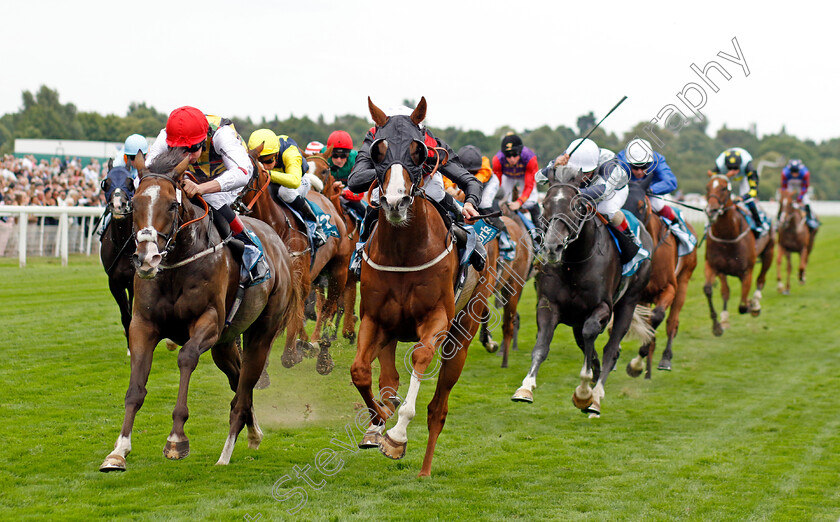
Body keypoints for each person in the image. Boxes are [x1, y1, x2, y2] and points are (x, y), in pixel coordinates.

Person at [347, 106, 484, 276]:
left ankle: (466, 236)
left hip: (425, 181)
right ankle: (361, 251)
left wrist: (470, 202)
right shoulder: (375, 137)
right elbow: (354, 181)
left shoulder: (429, 142)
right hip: (388, 182)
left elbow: (470, 181)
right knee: (376, 200)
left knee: (436, 193)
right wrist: (392, 171)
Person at [145, 106, 268, 284]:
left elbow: (242, 172)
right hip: (191, 176)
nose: (187, 156)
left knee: (211, 198)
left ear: (203, 140)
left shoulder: (221, 135)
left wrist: (202, 188)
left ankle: (250, 248)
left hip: (228, 176)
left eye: (193, 149)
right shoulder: (166, 136)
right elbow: (145, 174)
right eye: (179, 150)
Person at [547, 138, 649, 275]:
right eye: (580, 172)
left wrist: (574, 195)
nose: (583, 176)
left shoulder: (609, 161)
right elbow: (540, 177)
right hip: (584, 191)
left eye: (587, 173)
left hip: (614, 190)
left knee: (605, 210)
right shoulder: (569, 155)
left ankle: (630, 241)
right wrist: (553, 166)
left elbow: (603, 190)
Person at [247, 128, 327, 247]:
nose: (264, 166)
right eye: (259, 162)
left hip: (299, 181)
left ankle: (316, 225)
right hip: (272, 182)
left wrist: (267, 174)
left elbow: (294, 181)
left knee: (285, 192)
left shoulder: (290, 152)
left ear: (277, 153)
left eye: (268, 161)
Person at [617, 138, 695, 253]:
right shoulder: (621, 160)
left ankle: (679, 227)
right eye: (635, 167)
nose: (639, 172)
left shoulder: (657, 160)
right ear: (629, 163)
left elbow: (671, 182)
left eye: (644, 167)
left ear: (650, 162)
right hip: (627, 192)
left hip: (650, 191)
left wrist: (652, 189)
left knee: (658, 205)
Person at [457, 145, 514, 251]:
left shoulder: (484, 166)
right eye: (467, 171)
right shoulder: (455, 165)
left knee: (483, 204)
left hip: (488, 183)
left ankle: (505, 237)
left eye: (473, 171)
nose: (470, 173)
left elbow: (475, 183)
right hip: (471, 184)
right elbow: (447, 180)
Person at [712, 147, 768, 236]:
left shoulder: (748, 165)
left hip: (744, 178)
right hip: (725, 177)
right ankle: (709, 226)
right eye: (730, 168)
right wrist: (726, 176)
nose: (733, 172)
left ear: (740, 165)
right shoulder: (719, 164)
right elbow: (713, 181)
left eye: (735, 168)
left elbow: (753, 191)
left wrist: (742, 197)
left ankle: (759, 224)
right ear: (725, 165)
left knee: (749, 200)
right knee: (717, 200)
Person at [491, 133, 541, 229]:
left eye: (515, 155)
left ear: (520, 152)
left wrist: (519, 202)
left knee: (530, 200)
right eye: (508, 156)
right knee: (504, 198)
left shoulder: (530, 158)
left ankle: (539, 228)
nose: (512, 159)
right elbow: (497, 184)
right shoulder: (497, 160)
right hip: (508, 176)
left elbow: (529, 185)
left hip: (524, 176)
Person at [322, 130, 366, 220]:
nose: (339, 160)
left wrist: (343, 193)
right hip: (328, 190)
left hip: (347, 190)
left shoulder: (356, 159)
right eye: (334, 155)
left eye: (343, 156)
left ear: (349, 154)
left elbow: (359, 192)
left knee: (365, 212)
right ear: (329, 153)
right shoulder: (323, 156)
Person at [781, 159, 818, 227]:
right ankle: (779, 220)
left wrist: (800, 197)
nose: (795, 174)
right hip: (790, 184)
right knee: (784, 202)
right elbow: (784, 187)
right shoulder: (785, 173)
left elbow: (805, 187)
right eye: (793, 172)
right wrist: (787, 196)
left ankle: (810, 219)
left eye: (796, 172)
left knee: (806, 201)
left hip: (801, 185)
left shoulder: (805, 173)